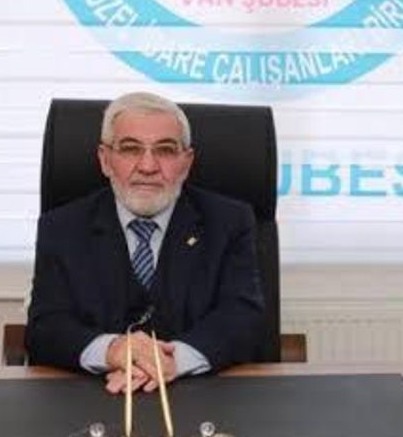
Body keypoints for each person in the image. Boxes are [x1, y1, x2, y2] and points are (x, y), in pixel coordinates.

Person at [25, 92, 266, 393]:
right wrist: (112, 350)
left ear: (186, 162)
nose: (148, 166)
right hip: (93, 395)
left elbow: (243, 317)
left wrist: (173, 360)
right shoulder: (61, 227)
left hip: (202, 396)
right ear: (105, 160)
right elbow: (45, 326)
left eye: (165, 150)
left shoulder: (229, 222)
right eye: (130, 149)